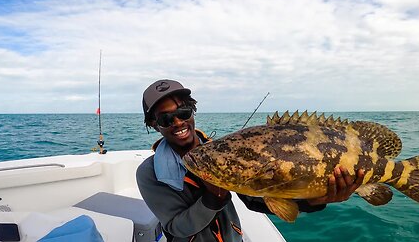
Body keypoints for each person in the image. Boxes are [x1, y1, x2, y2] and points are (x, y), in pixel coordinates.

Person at [136, 79, 365, 242]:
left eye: (183, 113)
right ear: (154, 125)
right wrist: (213, 198)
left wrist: (316, 201)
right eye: (165, 119)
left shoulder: (224, 150)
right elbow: (177, 228)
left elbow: (256, 199)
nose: (177, 122)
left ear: (193, 112)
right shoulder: (149, 173)